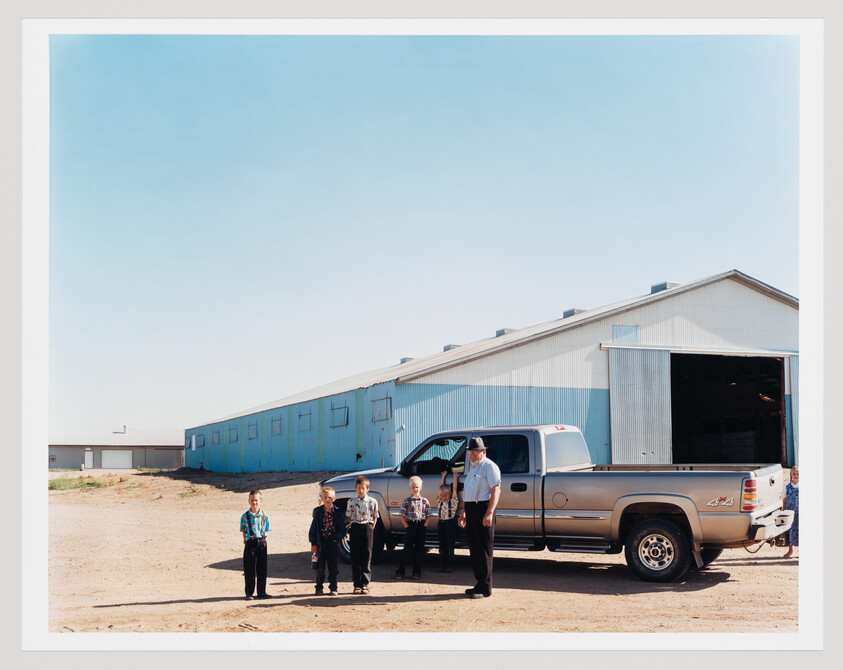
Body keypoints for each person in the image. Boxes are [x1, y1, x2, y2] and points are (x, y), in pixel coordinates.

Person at [458, 437, 501, 598]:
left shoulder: (489, 467)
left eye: (475, 452)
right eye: (470, 452)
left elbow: (496, 490)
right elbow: (468, 494)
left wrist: (489, 513)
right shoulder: (473, 469)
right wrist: (463, 513)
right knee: (474, 548)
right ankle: (479, 582)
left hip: (483, 509)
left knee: (484, 549)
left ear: (483, 452)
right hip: (472, 510)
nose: (472, 455)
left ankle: (486, 586)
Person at [309, 486, 347, 596]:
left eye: (329, 497)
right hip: (320, 543)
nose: (327, 499)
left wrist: (336, 538)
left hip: (332, 543)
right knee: (319, 567)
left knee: (333, 567)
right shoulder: (318, 512)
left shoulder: (338, 512)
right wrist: (313, 543)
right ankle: (319, 587)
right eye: (325, 497)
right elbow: (313, 528)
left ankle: (333, 587)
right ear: (321, 498)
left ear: (334, 498)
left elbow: (342, 529)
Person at [345, 475, 379, 595]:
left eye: (363, 488)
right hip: (355, 528)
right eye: (359, 488)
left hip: (367, 528)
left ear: (367, 489)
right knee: (355, 556)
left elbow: (375, 517)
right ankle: (357, 584)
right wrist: (354, 526)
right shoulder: (351, 501)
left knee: (366, 555)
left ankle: (365, 584)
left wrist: (370, 528)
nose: (361, 490)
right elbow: (349, 516)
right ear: (356, 488)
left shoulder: (372, 501)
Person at [395, 476, 431, 580]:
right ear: (410, 488)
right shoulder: (406, 501)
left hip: (421, 526)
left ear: (421, 487)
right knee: (407, 549)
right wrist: (406, 526)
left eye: (417, 487)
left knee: (419, 550)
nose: (415, 489)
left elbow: (429, 515)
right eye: (413, 487)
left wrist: (425, 526)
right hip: (411, 526)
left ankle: (416, 572)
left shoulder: (424, 501)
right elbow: (402, 514)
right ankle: (400, 571)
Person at [240, 489, 271, 600]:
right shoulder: (245, 516)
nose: (254, 503)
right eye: (252, 500)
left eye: (256, 500)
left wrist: (263, 540)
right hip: (250, 543)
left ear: (260, 501)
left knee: (262, 568)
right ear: (249, 501)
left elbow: (267, 529)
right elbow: (243, 530)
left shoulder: (264, 516)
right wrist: (246, 540)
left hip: (261, 542)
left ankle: (262, 592)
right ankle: (249, 593)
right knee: (249, 568)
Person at [435, 469, 460, 573]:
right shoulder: (439, 500)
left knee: (450, 546)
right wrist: (443, 477)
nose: (444, 498)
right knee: (442, 546)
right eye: (442, 496)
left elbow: (454, 489)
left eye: (446, 495)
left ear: (449, 494)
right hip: (441, 523)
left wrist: (455, 477)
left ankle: (450, 566)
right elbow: (440, 488)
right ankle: (442, 565)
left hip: (450, 524)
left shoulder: (453, 501)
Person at [783, 465, 799, 558]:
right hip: (790, 512)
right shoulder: (787, 487)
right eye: (794, 474)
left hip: (800, 513)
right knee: (790, 530)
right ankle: (790, 550)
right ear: (791, 474)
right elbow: (784, 500)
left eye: (797, 474)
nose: (796, 475)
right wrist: (783, 512)